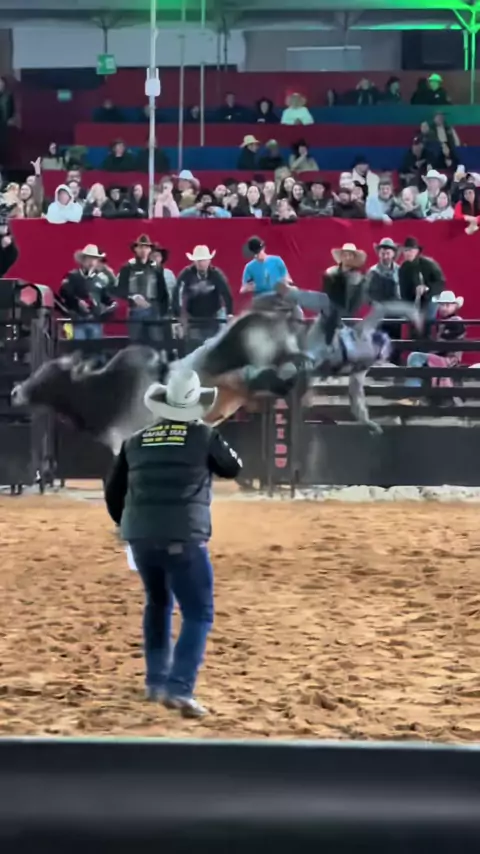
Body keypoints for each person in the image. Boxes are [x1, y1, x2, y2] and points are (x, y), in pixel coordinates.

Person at [104, 368, 242, 717]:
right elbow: (232, 468)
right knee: (198, 612)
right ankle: (179, 687)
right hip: (183, 535)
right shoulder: (203, 435)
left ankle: (155, 681)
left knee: (158, 602)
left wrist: (126, 525)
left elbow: (113, 491)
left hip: (140, 536)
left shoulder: (136, 440)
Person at [174, 245, 233, 349]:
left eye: (204, 260)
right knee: (194, 347)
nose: (201, 263)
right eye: (198, 261)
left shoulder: (216, 275)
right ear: (194, 262)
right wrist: (178, 315)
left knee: (213, 347)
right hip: (193, 318)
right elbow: (177, 293)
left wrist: (229, 313)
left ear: (209, 261)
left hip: (213, 317)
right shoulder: (186, 274)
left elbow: (226, 294)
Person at [117, 234, 169, 345]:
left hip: (153, 309)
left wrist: (163, 312)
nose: (143, 250)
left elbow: (162, 291)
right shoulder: (127, 267)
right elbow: (120, 290)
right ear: (135, 249)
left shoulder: (156, 268)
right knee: (135, 342)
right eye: (140, 247)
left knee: (156, 342)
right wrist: (133, 297)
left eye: (146, 247)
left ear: (150, 249)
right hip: (135, 310)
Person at [59, 244, 117, 340]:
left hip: (95, 321)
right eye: (89, 258)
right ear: (83, 260)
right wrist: (77, 301)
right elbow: (64, 292)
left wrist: (112, 304)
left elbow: (106, 297)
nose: (91, 262)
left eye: (94, 259)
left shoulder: (100, 279)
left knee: (95, 346)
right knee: (78, 346)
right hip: (77, 321)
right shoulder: (72, 276)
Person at [241, 235, 290, 302]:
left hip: (278, 297)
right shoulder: (249, 267)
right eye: (255, 253)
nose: (257, 255)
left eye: (259, 252)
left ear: (263, 248)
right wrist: (249, 288)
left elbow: (286, 278)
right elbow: (244, 287)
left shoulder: (277, 261)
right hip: (262, 299)